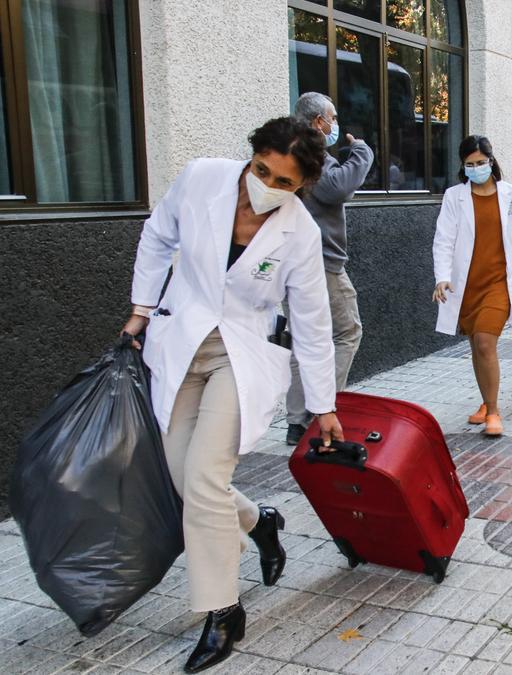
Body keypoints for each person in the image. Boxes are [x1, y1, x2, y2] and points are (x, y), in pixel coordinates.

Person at [122, 117, 344, 673]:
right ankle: (258, 521)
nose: (267, 185)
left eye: (285, 182)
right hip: (180, 342)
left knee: (202, 480)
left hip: (238, 357)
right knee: (182, 474)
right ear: (251, 157)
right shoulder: (202, 179)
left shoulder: (301, 234)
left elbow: (314, 323)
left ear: (303, 187)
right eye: (262, 170)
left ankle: (223, 612)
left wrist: (323, 407)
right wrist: (140, 309)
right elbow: (157, 235)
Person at [432, 135, 512, 436]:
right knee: (477, 348)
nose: (476, 168)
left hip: (498, 283)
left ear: (491, 161)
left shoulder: (511, 195)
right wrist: (442, 277)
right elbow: (443, 240)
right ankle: (486, 402)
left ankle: (493, 412)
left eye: (481, 162)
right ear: (463, 166)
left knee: (484, 342)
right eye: (470, 164)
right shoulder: (454, 196)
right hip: (466, 285)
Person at [284, 92, 374, 446]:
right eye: (332, 118)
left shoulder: (290, 149)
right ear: (319, 121)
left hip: (293, 260)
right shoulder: (308, 151)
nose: (334, 125)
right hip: (320, 262)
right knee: (347, 332)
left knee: (302, 338)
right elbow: (338, 187)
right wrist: (362, 151)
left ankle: (297, 419)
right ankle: (321, 410)